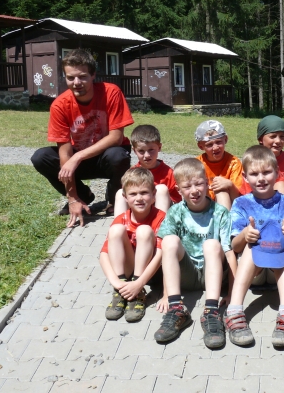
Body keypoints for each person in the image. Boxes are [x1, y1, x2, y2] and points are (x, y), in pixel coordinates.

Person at [31, 49, 133, 226]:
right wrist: (72, 198)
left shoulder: (111, 92)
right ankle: (83, 196)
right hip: (80, 160)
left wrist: (77, 157)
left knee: (118, 155)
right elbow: (65, 153)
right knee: (41, 157)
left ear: (93, 75)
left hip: (107, 156)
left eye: (82, 77)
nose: (76, 82)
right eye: (70, 78)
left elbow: (116, 137)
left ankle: (114, 198)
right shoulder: (59, 105)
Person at [225, 146, 284, 348]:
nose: (261, 178)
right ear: (245, 177)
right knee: (249, 247)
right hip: (254, 273)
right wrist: (245, 234)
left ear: (277, 172)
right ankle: (234, 311)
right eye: (254, 174)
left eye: (266, 172)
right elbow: (235, 246)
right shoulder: (241, 204)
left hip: (283, 268)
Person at [153, 158, 235, 348]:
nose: (194, 190)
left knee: (212, 244)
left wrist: (233, 293)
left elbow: (230, 253)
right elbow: (167, 254)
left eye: (198, 184)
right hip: (186, 274)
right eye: (187, 186)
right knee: (169, 240)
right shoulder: (175, 212)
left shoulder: (221, 213)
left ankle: (211, 312)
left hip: (214, 275)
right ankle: (177, 309)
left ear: (207, 183)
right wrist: (165, 294)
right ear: (179, 190)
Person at [99, 168, 165, 323]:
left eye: (144, 193)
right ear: (125, 197)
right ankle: (121, 290)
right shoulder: (121, 218)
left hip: (152, 272)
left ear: (153, 195)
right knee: (116, 230)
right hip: (128, 269)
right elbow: (103, 254)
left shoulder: (161, 217)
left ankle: (138, 292)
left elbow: (160, 255)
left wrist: (139, 283)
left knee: (144, 230)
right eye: (133, 194)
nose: (139, 198)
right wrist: (116, 283)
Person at [113, 125, 179, 216]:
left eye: (151, 150)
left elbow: (177, 201)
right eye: (141, 151)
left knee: (161, 190)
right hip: (138, 209)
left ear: (159, 147)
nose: (147, 155)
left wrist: (152, 198)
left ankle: (159, 223)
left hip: (163, 213)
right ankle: (119, 224)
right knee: (120, 193)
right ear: (134, 151)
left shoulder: (169, 173)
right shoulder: (132, 174)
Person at [195, 120, 244, 212]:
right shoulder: (197, 164)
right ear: (201, 146)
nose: (215, 147)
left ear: (225, 139)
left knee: (222, 191)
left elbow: (239, 198)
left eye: (218, 142)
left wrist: (229, 185)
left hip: (227, 205)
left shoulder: (234, 163)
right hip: (203, 205)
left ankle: (224, 220)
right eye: (209, 145)